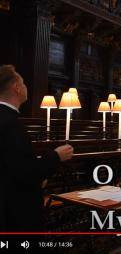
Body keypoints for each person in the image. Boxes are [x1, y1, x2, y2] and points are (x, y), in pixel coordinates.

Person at [0, 64, 74, 232]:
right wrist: (56, 156)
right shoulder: (11, 124)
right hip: (15, 213)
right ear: (16, 88)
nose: (26, 87)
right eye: (24, 83)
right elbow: (25, 172)